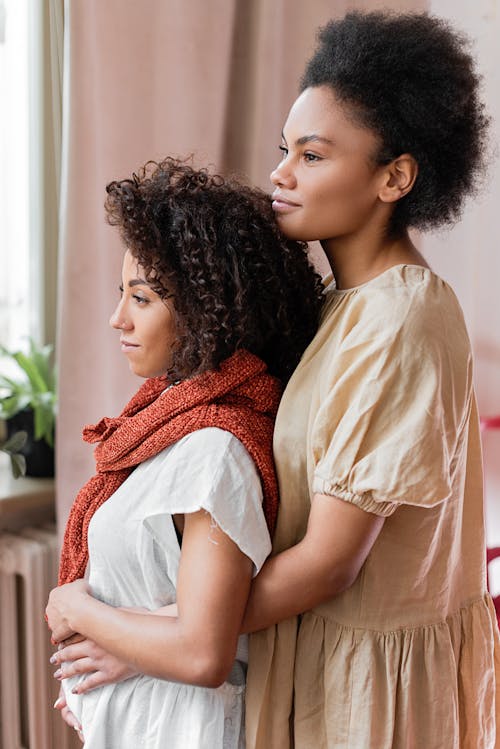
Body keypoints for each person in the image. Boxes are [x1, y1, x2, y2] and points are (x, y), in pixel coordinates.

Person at [237, 10, 500, 749]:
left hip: (366, 705)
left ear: (395, 176)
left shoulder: (401, 317)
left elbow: (329, 563)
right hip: (321, 668)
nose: (280, 174)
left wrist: (164, 629)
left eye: (312, 156)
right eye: (284, 150)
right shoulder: (341, 307)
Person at [45, 157, 323, 748]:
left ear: (204, 313)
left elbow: (203, 652)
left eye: (142, 299)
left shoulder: (215, 450)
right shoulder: (164, 425)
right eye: (123, 293)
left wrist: (75, 608)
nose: (117, 318)